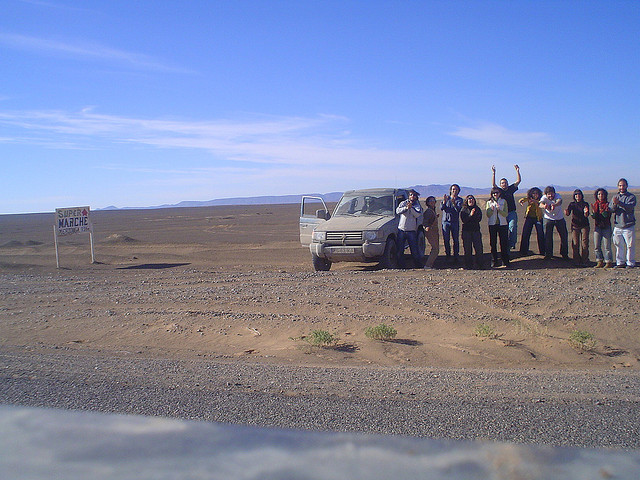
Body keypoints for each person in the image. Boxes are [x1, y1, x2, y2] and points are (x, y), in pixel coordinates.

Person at [492, 164, 521, 250]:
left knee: (512, 227)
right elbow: (493, 185)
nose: (504, 184)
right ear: (500, 185)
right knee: (504, 231)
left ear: (507, 184)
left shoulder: (510, 189)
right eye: (502, 183)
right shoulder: (499, 191)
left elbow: (518, 181)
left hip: (511, 212)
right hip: (502, 213)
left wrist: (517, 171)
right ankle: (506, 247)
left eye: (505, 183)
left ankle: (512, 243)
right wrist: (494, 173)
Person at [610, 178, 636, 268]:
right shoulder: (615, 197)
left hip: (628, 225)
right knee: (618, 245)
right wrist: (614, 204)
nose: (622, 187)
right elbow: (611, 209)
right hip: (618, 225)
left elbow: (629, 207)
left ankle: (630, 262)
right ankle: (620, 262)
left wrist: (619, 203)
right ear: (618, 186)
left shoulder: (631, 197)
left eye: (623, 185)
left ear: (626, 186)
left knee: (630, 245)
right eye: (620, 185)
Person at [539, 186, 569, 260]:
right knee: (547, 237)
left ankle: (564, 254)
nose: (550, 196)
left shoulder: (558, 196)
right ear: (546, 194)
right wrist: (544, 206)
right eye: (548, 194)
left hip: (559, 218)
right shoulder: (544, 198)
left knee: (564, 236)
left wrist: (554, 205)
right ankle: (548, 254)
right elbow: (540, 204)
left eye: (552, 194)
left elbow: (559, 201)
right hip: (548, 219)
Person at [396, 189, 423, 268]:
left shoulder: (417, 205)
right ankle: (401, 266)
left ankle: (418, 265)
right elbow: (398, 211)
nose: (412, 196)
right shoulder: (403, 203)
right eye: (411, 195)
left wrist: (411, 208)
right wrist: (406, 208)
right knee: (400, 250)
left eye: (414, 195)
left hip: (411, 231)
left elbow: (417, 214)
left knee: (414, 250)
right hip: (402, 230)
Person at [564, 189, 590, 265]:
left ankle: (585, 260)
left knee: (584, 243)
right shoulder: (572, 204)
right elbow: (568, 213)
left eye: (579, 195)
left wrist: (586, 212)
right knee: (575, 243)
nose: (578, 196)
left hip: (584, 225)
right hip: (575, 226)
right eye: (576, 195)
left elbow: (586, 215)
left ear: (582, 196)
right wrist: (566, 212)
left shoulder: (585, 204)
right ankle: (576, 260)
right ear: (574, 196)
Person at [486, 187, 510, 267]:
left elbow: (506, 214)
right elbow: (488, 214)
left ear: (500, 193)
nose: (495, 194)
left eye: (497, 192)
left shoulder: (503, 201)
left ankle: (505, 261)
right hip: (492, 224)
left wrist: (499, 210)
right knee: (493, 243)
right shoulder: (489, 203)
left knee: (503, 243)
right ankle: (494, 261)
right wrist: (492, 210)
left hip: (502, 224)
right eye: (494, 193)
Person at [518, 187, 545, 257]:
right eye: (533, 193)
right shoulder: (529, 199)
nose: (535, 195)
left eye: (536, 193)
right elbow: (523, 199)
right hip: (529, 218)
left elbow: (541, 203)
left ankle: (543, 251)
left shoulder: (541, 199)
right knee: (526, 233)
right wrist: (521, 201)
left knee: (540, 234)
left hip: (538, 218)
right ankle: (523, 251)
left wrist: (535, 201)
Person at [591, 188, 613, 268]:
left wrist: (604, 211)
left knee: (607, 246)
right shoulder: (596, 204)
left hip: (606, 227)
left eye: (602, 194)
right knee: (597, 246)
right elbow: (594, 217)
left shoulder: (608, 204)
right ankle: (599, 261)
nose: (600, 196)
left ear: (605, 195)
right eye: (599, 194)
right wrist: (593, 213)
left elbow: (606, 216)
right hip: (597, 227)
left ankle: (608, 261)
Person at [440, 184, 463, 265]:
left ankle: (456, 256)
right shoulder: (446, 198)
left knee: (455, 240)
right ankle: (448, 256)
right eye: (453, 189)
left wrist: (454, 203)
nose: (454, 191)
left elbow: (458, 210)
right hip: (445, 222)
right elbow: (442, 208)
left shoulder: (460, 200)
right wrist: (445, 202)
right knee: (446, 240)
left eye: (456, 189)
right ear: (450, 190)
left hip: (454, 222)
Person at [460, 195, 484, 269]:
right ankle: (468, 265)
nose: (471, 201)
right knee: (467, 249)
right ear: (467, 201)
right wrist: (470, 215)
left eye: (472, 199)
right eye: (469, 199)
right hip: (466, 232)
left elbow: (479, 219)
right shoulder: (464, 210)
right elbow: (464, 220)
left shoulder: (477, 209)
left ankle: (479, 264)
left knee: (478, 248)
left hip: (476, 231)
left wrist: (472, 216)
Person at [422, 196, 440, 269]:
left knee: (435, 249)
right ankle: (428, 265)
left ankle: (429, 265)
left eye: (433, 200)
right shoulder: (429, 211)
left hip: (434, 231)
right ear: (428, 203)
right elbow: (425, 222)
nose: (432, 202)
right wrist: (427, 227)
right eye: (430, 201)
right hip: (431, 231)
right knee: (435, 249)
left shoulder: (432, 210)